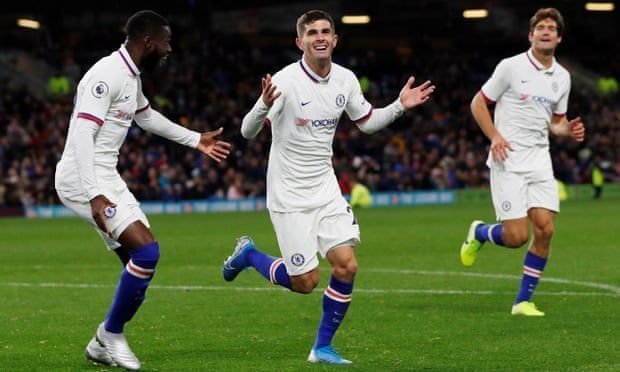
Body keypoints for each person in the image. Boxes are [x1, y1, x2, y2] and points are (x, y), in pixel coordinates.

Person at [222, 9, 434, 365]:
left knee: (347, 265)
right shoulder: (286, 82)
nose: (319, 37)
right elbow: (246, 131)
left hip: (325, 188)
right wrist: (263, 104)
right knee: (304, 281)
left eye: (325, 31)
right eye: (312, 33)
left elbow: (366, 122)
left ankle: (322, 347)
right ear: (300, 42)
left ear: (335, 39)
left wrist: (399, 106)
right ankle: (249, 255)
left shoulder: (346, 80)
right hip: (288, 194)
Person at [54, 10, 231, 370]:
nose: (168, 50)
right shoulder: (106, 74)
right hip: (82, 176)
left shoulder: (130, 76)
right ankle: (109, 335)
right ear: (147, 42)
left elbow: (146, 117)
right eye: (165, 43)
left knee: (138, 266)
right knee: (147, 253)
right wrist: (94, 195)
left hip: (106, 175)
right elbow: (83, 135)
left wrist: (195, 139)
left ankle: (103, 342)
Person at [460, 8, 585, 317]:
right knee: (517, 237)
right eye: (540, 27)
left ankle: (523, 302)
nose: (545, 31)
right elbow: (478, 103)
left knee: (545, 230)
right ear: (531, 35)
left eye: (551, 28)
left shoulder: (563, 77)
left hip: (540, 160)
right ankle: (479, 233)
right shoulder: (511, 67)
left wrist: (566, 130)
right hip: (508, 160)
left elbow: (556, 123)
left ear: (559, 38)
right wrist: (495, 136)